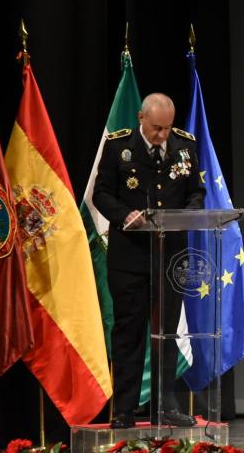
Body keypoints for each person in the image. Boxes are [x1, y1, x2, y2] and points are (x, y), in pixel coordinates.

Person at [93, 92, 205, 429]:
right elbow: (101, 194)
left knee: (167, 333)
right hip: (130, 258)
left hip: (169, 257)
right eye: (157, 128)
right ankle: (124, 409)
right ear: (142, 118)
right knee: (129, 333)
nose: (163, 136)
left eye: (168, 128)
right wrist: (125, 214)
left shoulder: (184, 146)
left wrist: (189, 213)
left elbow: (196, 192)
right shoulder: (118, 147)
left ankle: (164, 406)